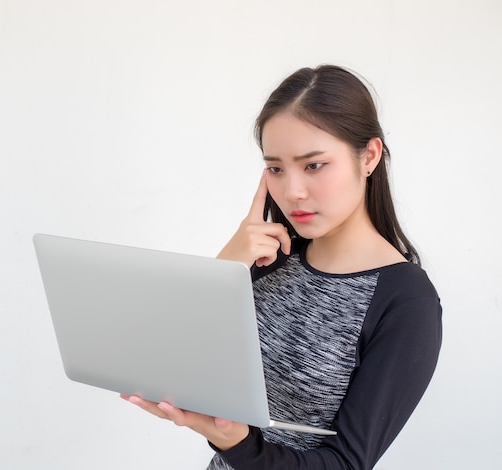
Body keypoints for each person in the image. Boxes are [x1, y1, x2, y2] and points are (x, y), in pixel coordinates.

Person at [121, 64, 442, 469]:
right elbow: (168, 357)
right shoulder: (270, 258)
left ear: (369, 156)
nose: (292, 191)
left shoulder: (405, 301)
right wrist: (225, 267)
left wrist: (239, 444)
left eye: (314, 165)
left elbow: (346, 464)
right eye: (275, 168)